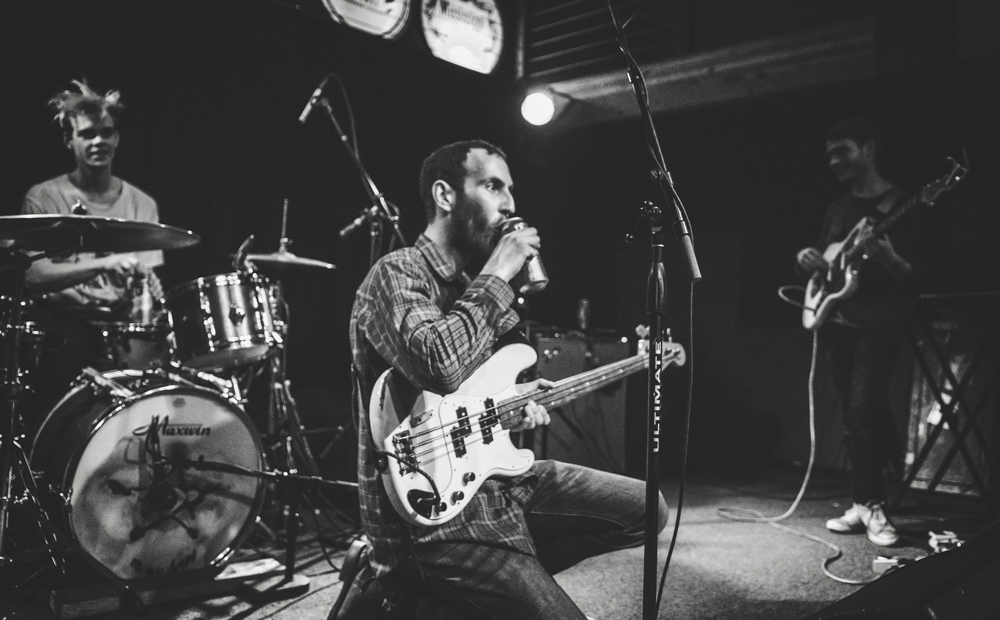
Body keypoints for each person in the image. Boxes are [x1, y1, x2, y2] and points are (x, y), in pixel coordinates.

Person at [343, 140, 668, 619]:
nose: (511, 204)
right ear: (445, 196)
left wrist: (507, 407)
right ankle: (403, 584)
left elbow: (463, 406)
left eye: (510, 189)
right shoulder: (397, 273)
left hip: (496, 485)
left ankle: (485, 592)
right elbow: (440, 365)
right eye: (493, 186)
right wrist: (499, 272)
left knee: (649, 508)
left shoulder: (473, 288)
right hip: (436, 524)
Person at [797, 117, 932, 546]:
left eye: (843, 151)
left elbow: (918, 278)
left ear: (869, 148)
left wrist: (889, 258)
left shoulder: (906, 204)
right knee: (856, 415)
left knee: (862, 411)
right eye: (830, 154)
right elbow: (827, 259)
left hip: (880, 324)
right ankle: (862, 502)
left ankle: (872, 504)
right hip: (837, 322)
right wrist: (810, 259)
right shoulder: (838, 208)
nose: (834, 161)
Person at [20, 80, 165, 419]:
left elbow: (145, 290)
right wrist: (104, 264)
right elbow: (30, 276)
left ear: (117, 138)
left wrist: (149, 293)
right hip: (63, 327)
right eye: (87, 134)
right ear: (68, 141)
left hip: (119, 331)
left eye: (107, 132)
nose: (99, 141)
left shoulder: (142, 204)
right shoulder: (43, 197)